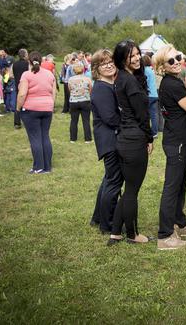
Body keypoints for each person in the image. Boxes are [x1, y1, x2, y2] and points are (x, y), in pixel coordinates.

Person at [107, 40, 154, 245]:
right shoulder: (129, 81)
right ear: (121, 59)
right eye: (130, 55)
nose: (136, 58)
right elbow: (142, 115)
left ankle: (115, 233)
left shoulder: (123, 78)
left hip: (125, 138)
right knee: (132, 191)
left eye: (137, 54)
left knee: (129, 189)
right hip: (134, 139)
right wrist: (149, 137)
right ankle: (133, 235)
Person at [153, 45, 186, 251]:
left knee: (180, 183)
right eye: (171, 61)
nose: (177, 61)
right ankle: (165, 235)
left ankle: (179, 222)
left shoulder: (172, 82)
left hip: (179, 139)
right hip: (177, 141)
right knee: (172, 186)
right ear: (162, 66)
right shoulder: (173, 85)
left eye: (178, 57)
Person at [89, 49, 124, 235]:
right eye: (103, 63)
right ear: (96, 68)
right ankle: (108, 224)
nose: (109, 65)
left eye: (111, 61)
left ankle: (98, 217)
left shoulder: (111, 84)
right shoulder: (101, 88)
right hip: (110, 141)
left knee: (108, 180)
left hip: (111, 140)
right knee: (113, 182)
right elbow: (111, 118)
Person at [17, 51, 56, 174]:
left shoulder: (26, 75)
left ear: (29, 61)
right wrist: (51, 105)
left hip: (31, 109)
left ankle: (38, 167)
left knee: (35, 138)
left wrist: (18, 108)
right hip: (47, 108)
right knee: (45, 136)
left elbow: (22, 94)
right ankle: (47, 166)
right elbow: (53, 93)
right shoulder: (50, 74)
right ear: (41, 61)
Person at [68, 62, 92, 143]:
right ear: (83, 70)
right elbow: (90, 90)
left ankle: (73, 139)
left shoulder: (70, 79)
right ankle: (88, 139)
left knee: (74, 120)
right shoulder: (87, 79)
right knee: (86, 120)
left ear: (74, 70)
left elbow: (70, 90)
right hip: (85, 101)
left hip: (73, 101)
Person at [142, 55, 159, 139]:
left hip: (148, 95)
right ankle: (155, 132)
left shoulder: (144, 70)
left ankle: (147, 131)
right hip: (155, 94)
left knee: (145, 114)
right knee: (153, 114)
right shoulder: (151, 70)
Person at [12, 49, 30, 129]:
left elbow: (12, 74)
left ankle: (17, 122)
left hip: (17, 85)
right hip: (26, 85)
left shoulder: (14, 64)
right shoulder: (27, 64)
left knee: (18, 104)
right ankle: (28, 122)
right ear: (25, 55)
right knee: (28, 104)